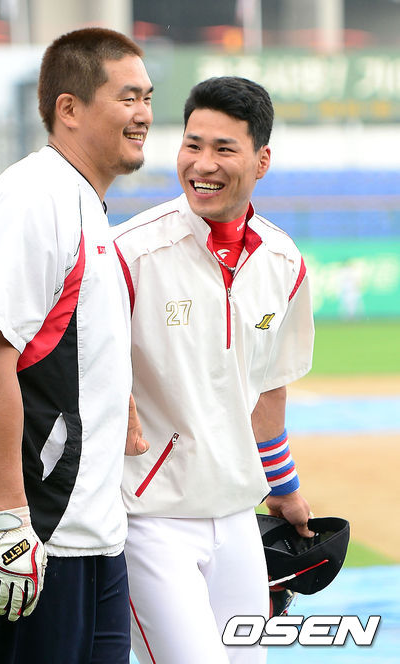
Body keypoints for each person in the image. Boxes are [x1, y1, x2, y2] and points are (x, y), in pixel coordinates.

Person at [0, 27, 152, 664]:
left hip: (89, 534)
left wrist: (118, 404)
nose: (143, 114)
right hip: (30, 534)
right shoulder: (33, 199)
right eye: (127, 97)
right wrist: (8, 522)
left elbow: (70, 344)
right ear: (69, 108)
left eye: (147, 97)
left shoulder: (84, 203)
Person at [112, 76, 315, 664]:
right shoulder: (129, 252)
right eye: (192, 144)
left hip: (238, 517)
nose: (202, 164)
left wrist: (285, 489)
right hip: (148, 519)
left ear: (262, 159)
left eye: (224, 148)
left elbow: (268, 392)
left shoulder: (284, 261)